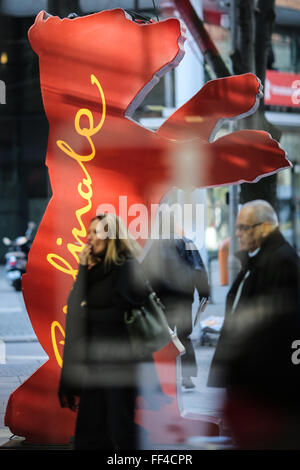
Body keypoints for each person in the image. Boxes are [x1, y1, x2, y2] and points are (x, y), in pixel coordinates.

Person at [58, 213, 161, 450]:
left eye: (96, 232)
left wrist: (89, 313)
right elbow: (73, 306)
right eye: (90, 231)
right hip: (95, 360)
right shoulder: (95, 270)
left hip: (121, 362)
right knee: (90, 428)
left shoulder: (127, 268)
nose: (89, 237)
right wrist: (82, 269)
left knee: (119, 428)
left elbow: (122, 315)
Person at [208, 200, 300, 449]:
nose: (237, 233)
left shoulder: (282, 260)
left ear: (266, 226)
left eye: (244, 227)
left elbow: (281, 329)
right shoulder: (259, 258)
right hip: (250, 383)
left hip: (263, 390)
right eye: (238, 227)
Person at [142, 216, 210, 390]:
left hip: (161, 300)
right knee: (184, 336)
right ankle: (187, 376)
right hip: (184, 299)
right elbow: (198, 269)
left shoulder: (153, 246)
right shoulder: (188, 243)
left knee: (165, 338)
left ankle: (166, 376)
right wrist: (204, 293)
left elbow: (145, 272)